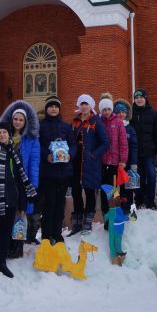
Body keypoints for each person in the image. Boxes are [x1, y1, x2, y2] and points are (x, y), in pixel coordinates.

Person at [0, 122, 37, 278]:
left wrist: (22, 203)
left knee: (5, 234)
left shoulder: (15, 154)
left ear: (9, 135)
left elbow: (21, 180)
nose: (2, 135)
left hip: (12, 200)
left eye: (5, 132)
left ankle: (0, 262)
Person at [0, 100, 40, 252]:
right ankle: (5, 246)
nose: (17, 122)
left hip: (23, 181)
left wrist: (33, 185)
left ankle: (16, 247)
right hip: (5, 181)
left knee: (20, 213)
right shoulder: (3, 136)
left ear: (25, 122)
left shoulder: (31, 139)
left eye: (21, 120)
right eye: (15, 119)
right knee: (7, 214)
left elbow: (34, 162)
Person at [39, 96, 76, 244]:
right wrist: (46, 155)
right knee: (49, 203)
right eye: (51, 106)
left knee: (60, 204)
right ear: (46, 109)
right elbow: (38, 145)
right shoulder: (41, 127)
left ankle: (57, 233)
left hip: (64, 171)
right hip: (48, 172)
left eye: (56, 106)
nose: (53, 109)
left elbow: (73, 145)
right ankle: (46, 235)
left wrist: (69, 155)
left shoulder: (66, 127)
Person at [70, 94, 109, 234]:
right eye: (82, 104)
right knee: (75, 191)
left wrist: (93, 154)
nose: (84, 106)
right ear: (79, 105)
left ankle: (87, 222)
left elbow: (105, 143)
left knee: (89, 191)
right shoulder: (75, 121)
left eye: (86, 104)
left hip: (90, 163)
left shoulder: (95, 121)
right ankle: (77, 222)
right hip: (75, 161)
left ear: (91, 106)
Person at [98, 93, 128, 222]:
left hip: (115, 162)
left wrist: (123, 160)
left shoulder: (118, 122)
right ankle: (106, 216)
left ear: (112, 109)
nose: (106, 112)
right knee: (104, 189)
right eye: (104, 109)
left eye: (109, 109)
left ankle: (115, 213)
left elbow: (123, 143)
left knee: (114, 189)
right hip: (102, 162)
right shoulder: (98, 122)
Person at [129, 89, 157, 209]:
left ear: (146, 98)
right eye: (136, 97)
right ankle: (139, 200)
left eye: (141, 97)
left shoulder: (154, 113)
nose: (139, 99)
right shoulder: (131, 114)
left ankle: (151, 201)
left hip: (150, 152)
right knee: (138, 178)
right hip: (135, 153)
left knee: (152, 176)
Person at [114, 99, 137, 213]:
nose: (121, 114)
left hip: (127, 164)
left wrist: (133, 163)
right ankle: (118, 208)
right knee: (116, 187)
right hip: (114, 163)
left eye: (123, 112)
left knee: (128, 188)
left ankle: (130, 210)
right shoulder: (112, 126)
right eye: (118, 112)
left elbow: (134, 147)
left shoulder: (130, 128)